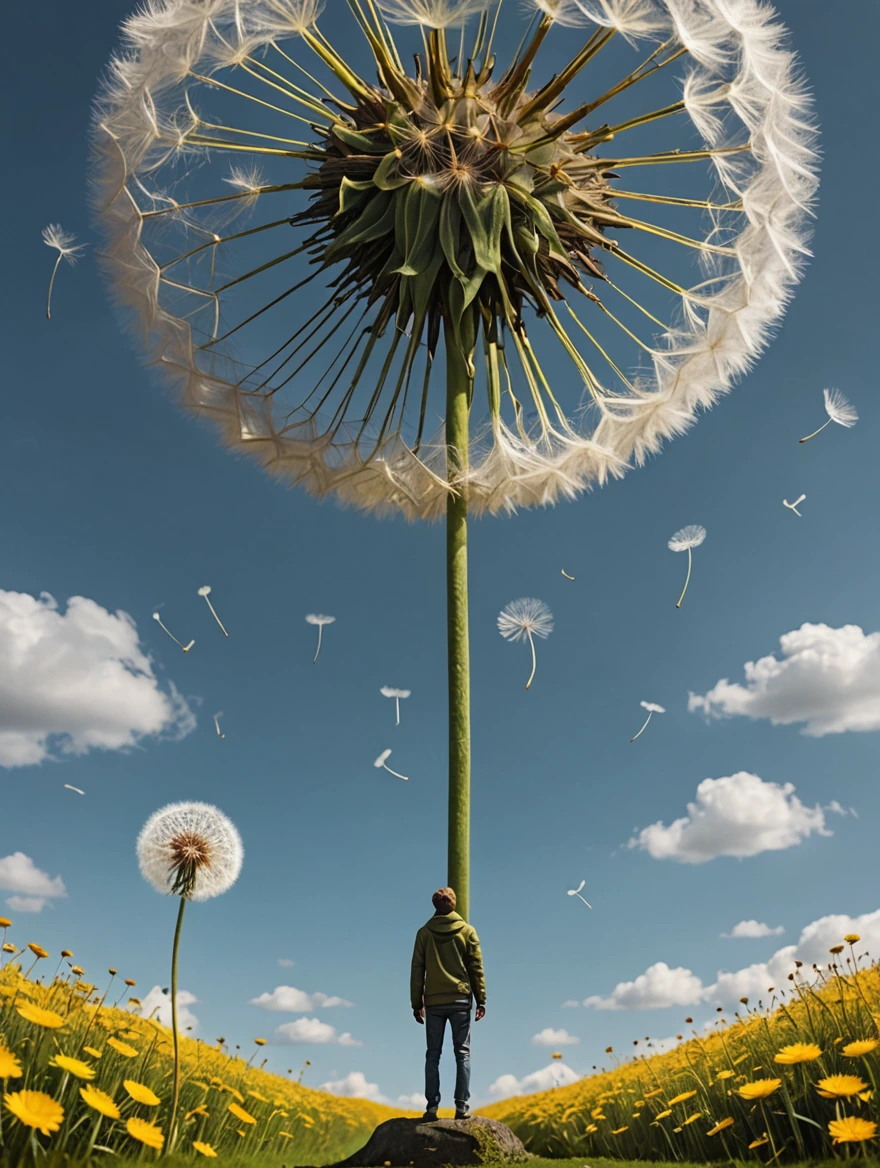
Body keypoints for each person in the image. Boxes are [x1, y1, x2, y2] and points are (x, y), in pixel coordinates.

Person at [410, 886, 486, 1121]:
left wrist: (416, 1002)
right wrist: (481, 999)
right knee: (462, 1053)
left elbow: (417, 970)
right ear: (453, 904)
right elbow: (476, 968)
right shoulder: (467, 931)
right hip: (461, 999)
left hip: (433, 1001)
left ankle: (432, 1107)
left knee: (433, 1054)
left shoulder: (424, 933)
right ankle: (461, 1106)